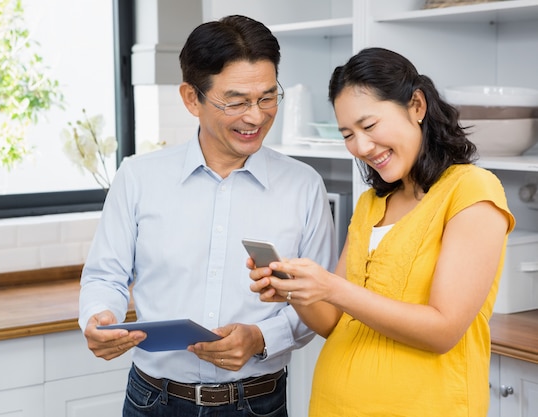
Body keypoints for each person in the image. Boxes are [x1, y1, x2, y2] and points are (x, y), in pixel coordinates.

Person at [78, 15, 337, 417]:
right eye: (235, 101)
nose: (256, 116)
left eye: (268, 97)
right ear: (190, 97)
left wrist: (259, 337)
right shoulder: (138, 176)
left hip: (258, 404)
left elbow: (319, 303)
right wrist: (99, 316)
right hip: (153, 402)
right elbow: (104, 276)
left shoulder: (304, 186)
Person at [248, 47, 516, 417]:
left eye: (369, 126)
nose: (361, 147)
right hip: (332, 406)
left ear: (417, 106)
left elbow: (443, 330)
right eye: (348, 134)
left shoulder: (471, 191)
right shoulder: (372, 203)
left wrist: (332, 287)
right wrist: (296, 290)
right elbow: (333, 322)